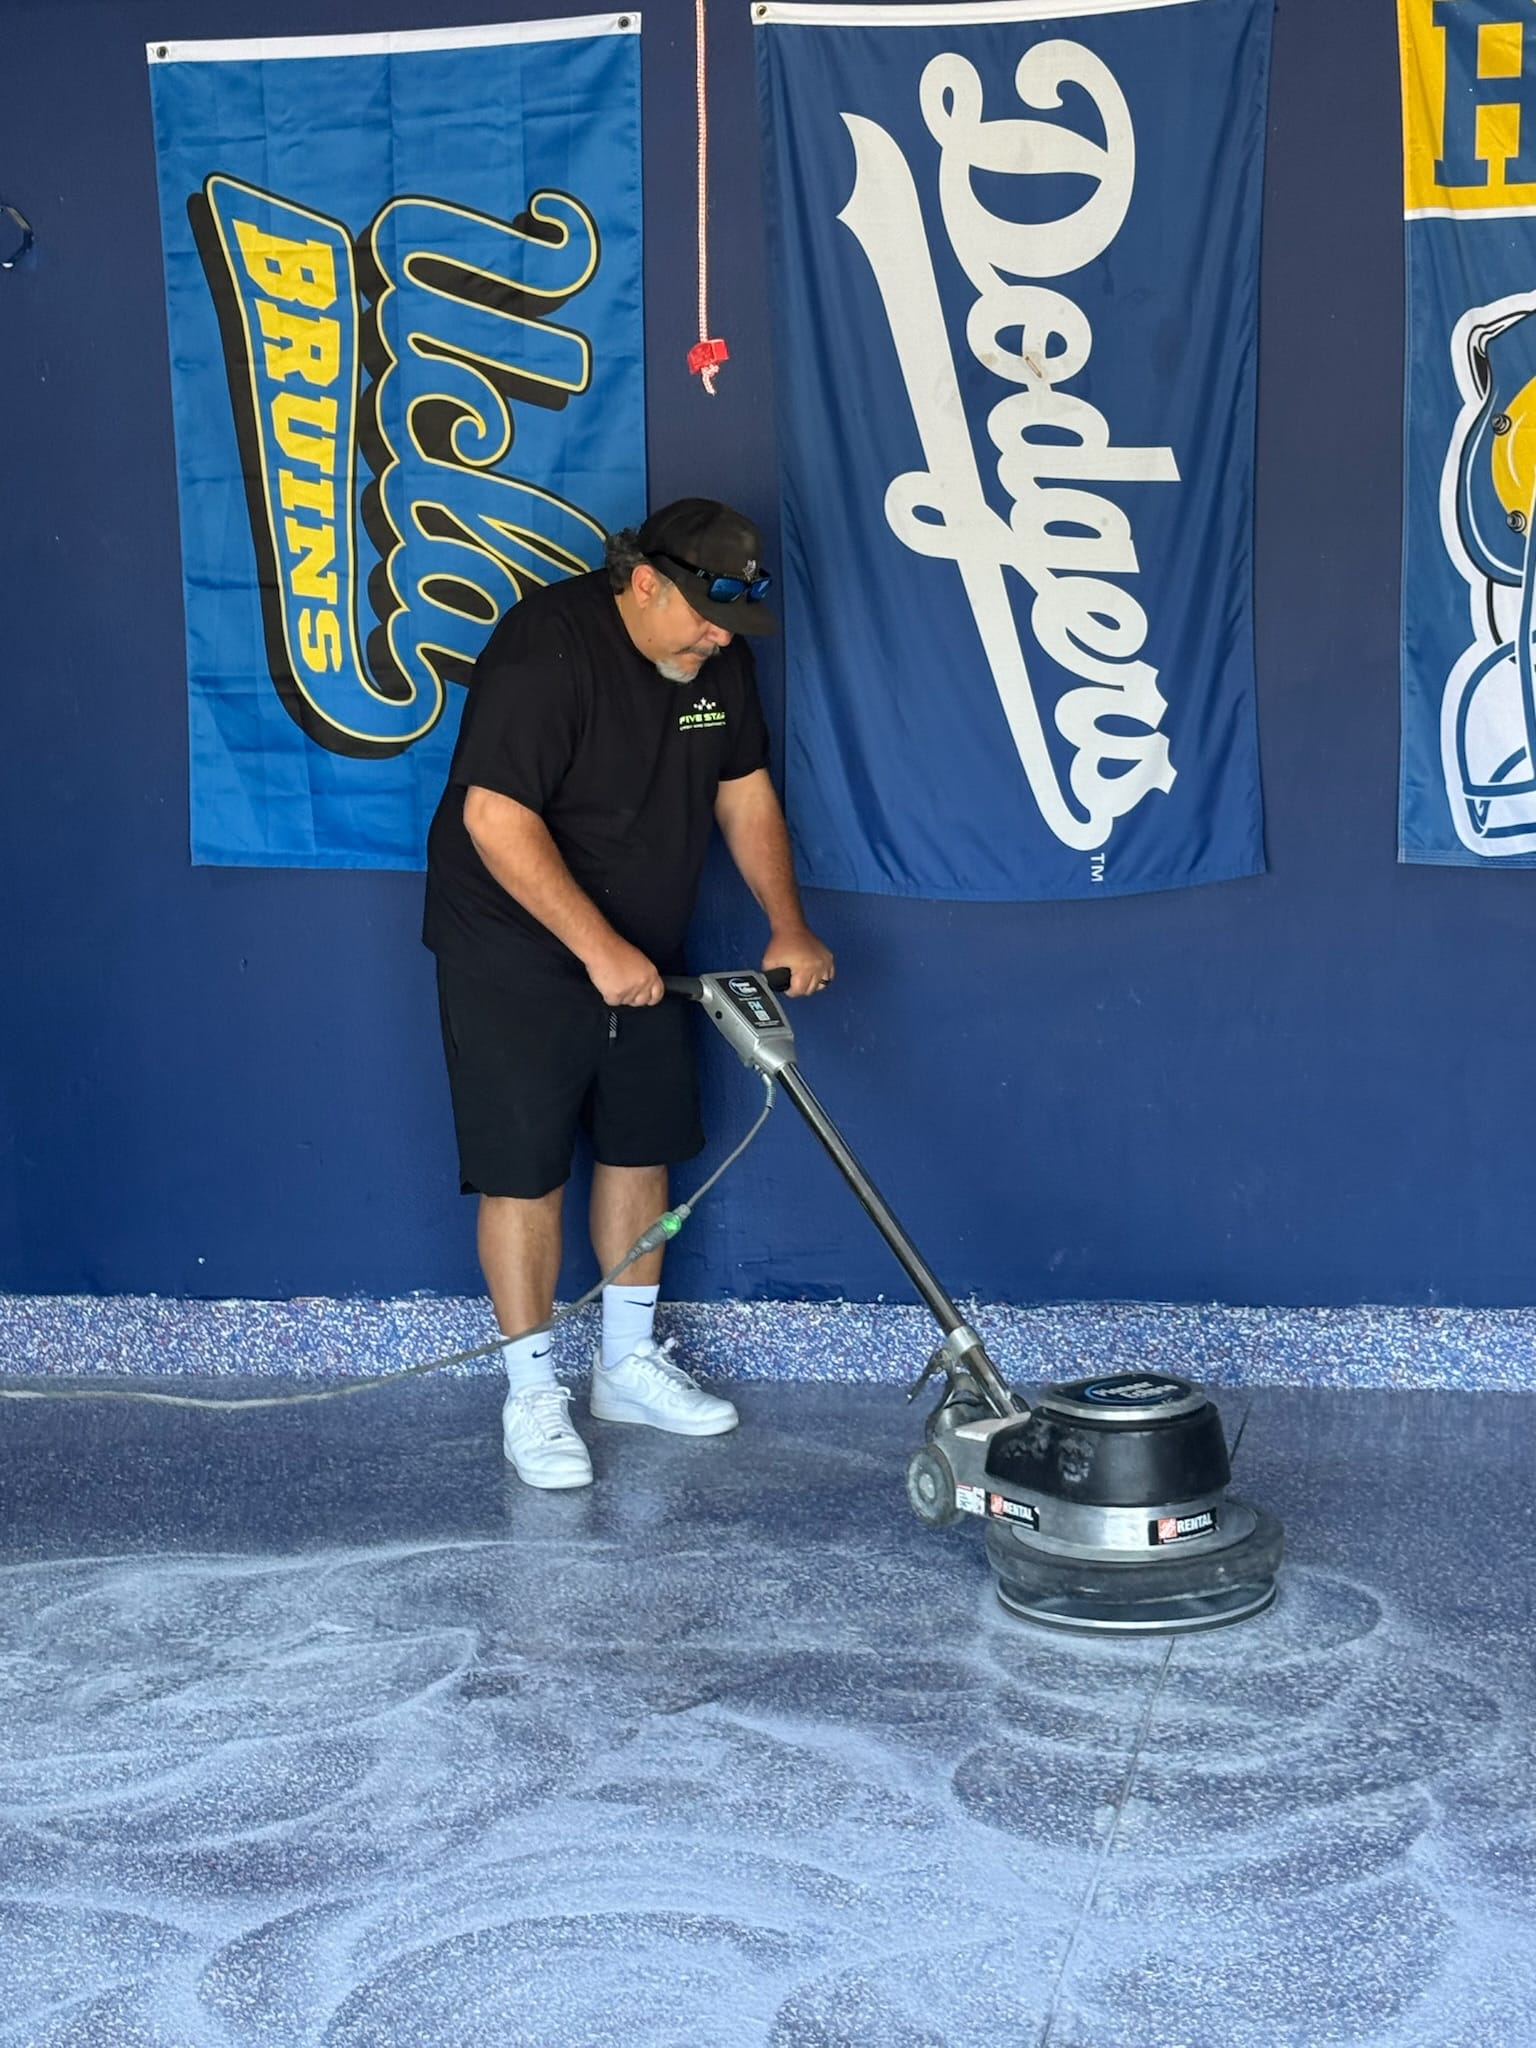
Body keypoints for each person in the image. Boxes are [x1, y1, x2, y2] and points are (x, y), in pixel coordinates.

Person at [423, 498, 835, 1489]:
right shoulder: (546, 648)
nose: (718, 639)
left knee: (638, 1142)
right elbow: (494, 818)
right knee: (525, 1170)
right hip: (512, 948)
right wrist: (598, 948)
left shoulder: (716, 659)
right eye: (704, 617)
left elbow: (743, 791)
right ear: (645, 582)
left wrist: (787, 921)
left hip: (643, 946)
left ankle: (626, 1364)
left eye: (731, 624)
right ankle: (531, 1392)